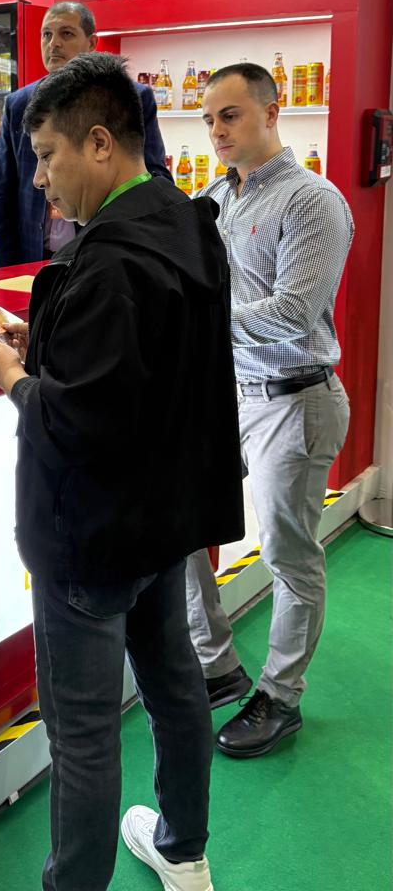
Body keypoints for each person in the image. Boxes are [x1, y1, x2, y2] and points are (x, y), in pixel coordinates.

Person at [0, 53, 243, 891]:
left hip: (92, 533)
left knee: (82, 733)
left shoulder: (112, 261)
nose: (39, 179)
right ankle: (184, 848)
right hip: (164, 516)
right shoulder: (185, 220)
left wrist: (9, 374)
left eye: (48, 156)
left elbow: (75, 420)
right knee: (173, 684)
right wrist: (44, 341)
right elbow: (142, 372)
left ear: (100, 143)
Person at [186, 62, 353, 759]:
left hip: (296, 398)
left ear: (271, 111)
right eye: (209, 120)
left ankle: (280, 697)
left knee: (288, 554)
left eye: (230, 115)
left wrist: (197, 322)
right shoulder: (210, 199)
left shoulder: (313, 200)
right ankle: (215, 664)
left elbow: (293, 313)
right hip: (228, 394)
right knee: (183, 524)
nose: (217, 131)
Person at [0, 1, 171, 266]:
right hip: (34, 255)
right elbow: (2, 193)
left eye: (66, 34)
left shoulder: (129, 97)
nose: (54, 44)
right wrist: (6, 268)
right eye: (47, 35)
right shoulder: (18, 104)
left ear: (92, 42)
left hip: (104, 251)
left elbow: (152, 176)